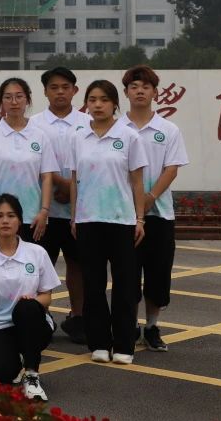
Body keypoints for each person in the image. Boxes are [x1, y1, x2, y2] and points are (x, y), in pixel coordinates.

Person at [69, 79, 148, 365]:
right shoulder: (78, 137)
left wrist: (139, 218)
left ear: (115, 103)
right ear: (86, 104)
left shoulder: (129, 136)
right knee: (93, 285)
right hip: (88, 220)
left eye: (104, 99)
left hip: (121, 220)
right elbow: (75, 180)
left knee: (125, 285)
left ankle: (125, 344)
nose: (98, 105)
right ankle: (99, 343)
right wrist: (74, 217)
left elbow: (137, 182)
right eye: (92, 100)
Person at [0, 194, 61, 402]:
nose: (5, 221)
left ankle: (32, 375)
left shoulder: (37, 253)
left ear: (20, 220)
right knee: (2, 374)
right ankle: (17, 357)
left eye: (11, 215)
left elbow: (47, 296)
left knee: (26, 308)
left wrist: (33, 302)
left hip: (32, 321)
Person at [120, 65, 188, 352]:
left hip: (159, 214)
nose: (139, 91)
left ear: (155, 93)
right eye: (134, 87)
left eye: (145, 87)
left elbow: (172, 168)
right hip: (123, 215)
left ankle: (151, 326)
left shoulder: (168, 130)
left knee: (158, 274)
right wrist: (135, 202)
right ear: (126, 92)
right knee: (127, 274)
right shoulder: (116, 128)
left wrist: (149, 197)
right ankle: (129, 326)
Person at [28, 67, 92, 344]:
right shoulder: (34, 124)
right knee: (41, 266)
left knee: (78, 265)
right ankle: (40, 317)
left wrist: (71, 189)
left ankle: (78, 317)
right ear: (45, 91)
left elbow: (93, 161)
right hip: (44, 210)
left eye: (65, 87)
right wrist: (62, 185)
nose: (60, 92)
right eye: (54, 87)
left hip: (80, 211)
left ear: (75, 90)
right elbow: (35, 163)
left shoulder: (89, 122)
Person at [0, 77, 58, 245]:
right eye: (8, 97)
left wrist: (44, 211)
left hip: (32, 217)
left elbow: (47, 177)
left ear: (27, 100)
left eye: (19, 96)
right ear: (1, 102)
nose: (14, 102)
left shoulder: (40, 135)